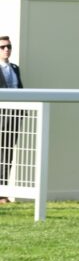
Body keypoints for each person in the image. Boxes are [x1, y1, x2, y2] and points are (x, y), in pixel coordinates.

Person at [0, 36, 23, 204]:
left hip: (14, 117)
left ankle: (3, 193)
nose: (6, 49)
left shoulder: (15, 68)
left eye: (8, 46)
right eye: (2, 47)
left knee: (7, 154)